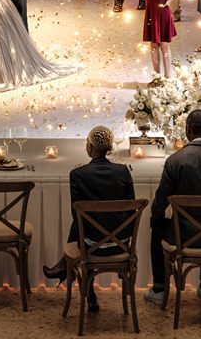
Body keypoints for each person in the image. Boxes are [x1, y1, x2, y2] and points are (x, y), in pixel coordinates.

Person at [144, 109, 201, 309]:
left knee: (157, 226)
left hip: (182, 236)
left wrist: (155, 219)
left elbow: (160, 203)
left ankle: (159, 289)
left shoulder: (175, 161)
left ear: (188, 129)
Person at [44, 126, 135, 307]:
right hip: (121, 245)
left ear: (90, 147)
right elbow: (131, 212)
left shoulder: (77, 175)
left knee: (83, 222)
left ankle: (78, 281)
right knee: (88, 223)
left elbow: (76, 216)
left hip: (91, 247)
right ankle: (69, 272)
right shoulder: (123, 171)